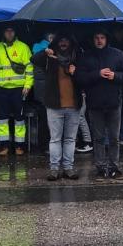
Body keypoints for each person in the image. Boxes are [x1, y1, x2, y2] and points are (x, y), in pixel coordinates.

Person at [76, 27, 123, 178]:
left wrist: (115, 75)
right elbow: (79, 78)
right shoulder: (86, 56)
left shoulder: (117, 54)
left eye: (102, 37)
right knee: (98, 138)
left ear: (107, 39)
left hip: (114, 102)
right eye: (97, 37)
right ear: (93, 39)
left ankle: (114, 166)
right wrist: (97, 74)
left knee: (114, 138)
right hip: (95, 104)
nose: (99, 40)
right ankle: (100, 167)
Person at [33, 32, 81, 180]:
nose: (63, 43)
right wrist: (44, 52)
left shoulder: (78, 56)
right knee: (55, 139)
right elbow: (33, 60)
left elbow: (86, 76)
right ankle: (54, 169)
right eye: (61, 40)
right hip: (54, 105)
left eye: (66, 40)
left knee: (70, 139)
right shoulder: (49, 56)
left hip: (74, 105)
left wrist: (76, 72)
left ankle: (68, 168)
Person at [0, 24, 34, 156]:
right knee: (2, 119)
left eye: (11, 31)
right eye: (7, 31)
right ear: (3, 33)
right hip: (1, 89)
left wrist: (28, 85)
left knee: (19, 118)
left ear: (15, 32)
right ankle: (4, 146)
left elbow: (29, 68)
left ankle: (19, 146)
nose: (9, 34)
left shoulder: (23, 47)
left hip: (18, 89)